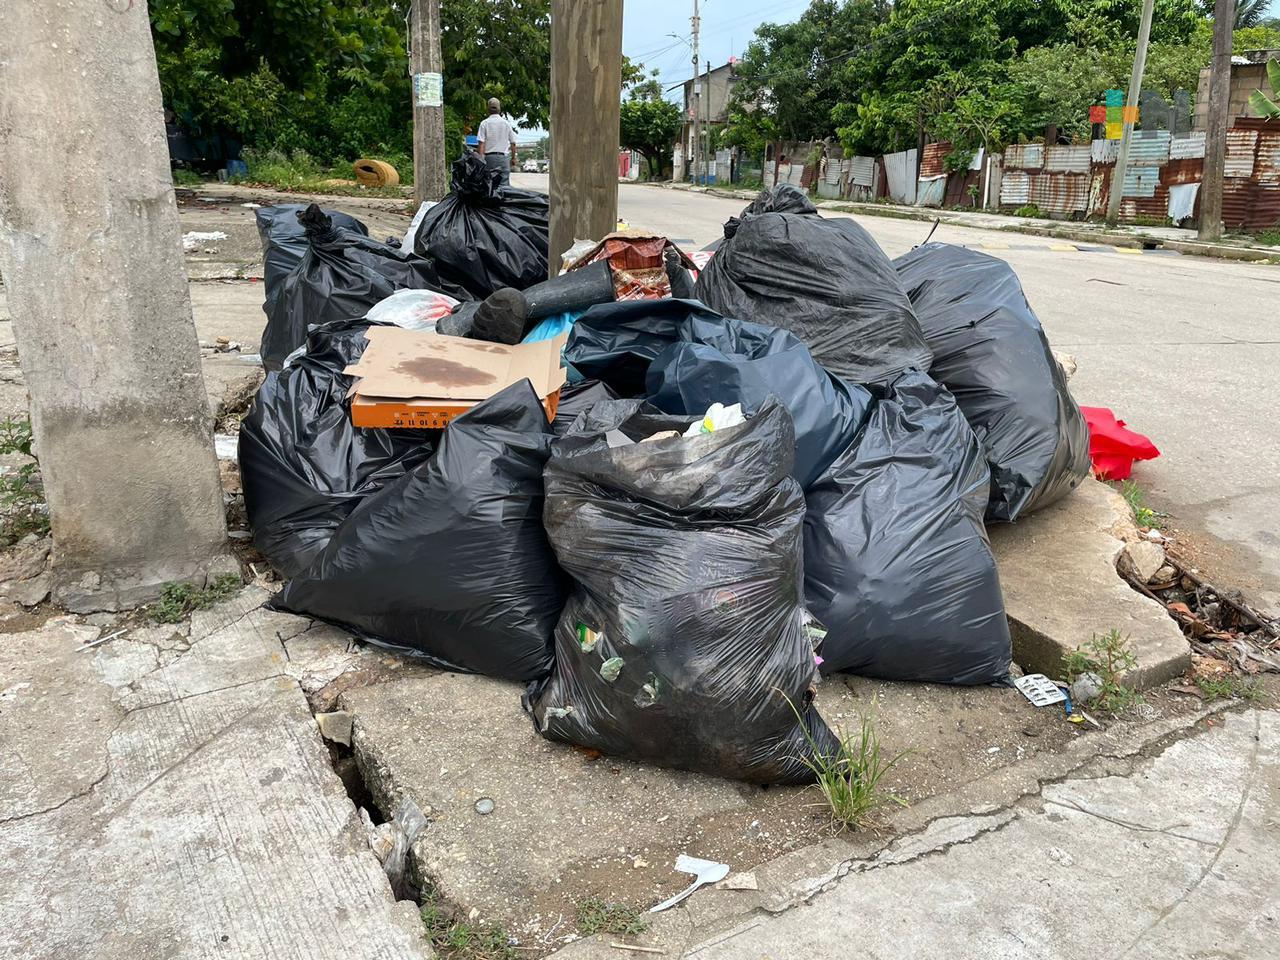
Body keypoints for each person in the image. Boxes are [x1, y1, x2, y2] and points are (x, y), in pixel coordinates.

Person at [477, 97, 517, 186]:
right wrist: (513, 158)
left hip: (489, 159)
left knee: (489, 184)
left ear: (488, 109)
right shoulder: (506, 124)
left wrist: (480, 159)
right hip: (503, 159)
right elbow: (513, 143)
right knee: (504, 185)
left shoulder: (484, 123)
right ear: (499, 109)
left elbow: (481, 144)